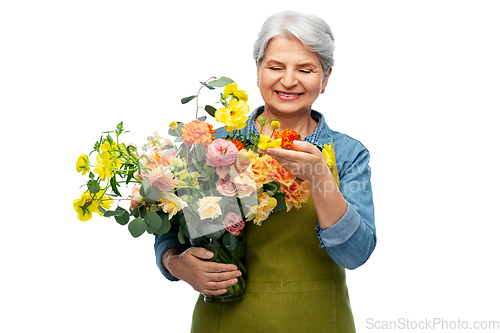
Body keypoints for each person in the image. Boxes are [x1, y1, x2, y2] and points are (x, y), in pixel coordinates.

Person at [154, 10, 376, 332]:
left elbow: (355, 255)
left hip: (319, 322)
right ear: (257, 70)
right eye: (275, 67)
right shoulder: (213, 145)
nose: (288, 80)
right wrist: (175, 263)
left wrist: (319, 178)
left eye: (305, 69)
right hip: (225, 322)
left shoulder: (347, 154)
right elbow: (168, 230)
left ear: (325, 78)